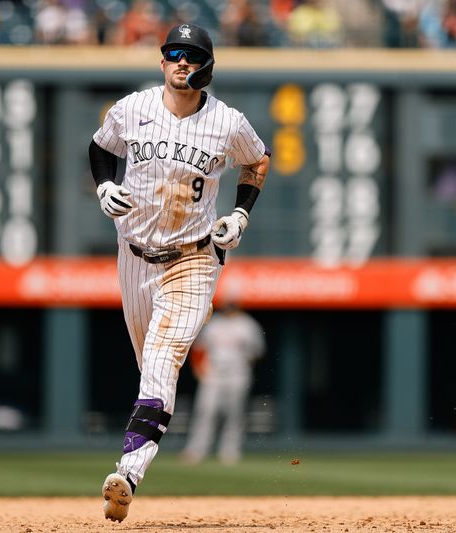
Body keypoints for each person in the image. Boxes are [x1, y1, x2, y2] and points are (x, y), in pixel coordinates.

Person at [88, 23, 270, 522]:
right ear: (161, 61)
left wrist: (240, 214)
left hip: (193, 257)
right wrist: (105, 185)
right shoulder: (132, 108)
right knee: (149, 366)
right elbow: (102, 147)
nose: (181, 61)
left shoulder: (227, 122)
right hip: (134, 256)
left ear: (207, 67)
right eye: (173, 52)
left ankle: (128, 472)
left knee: (163, 359)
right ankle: (141, 446)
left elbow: (257, 162)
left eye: (191, 54)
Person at [181, 301, 265, 465]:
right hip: (214, 372)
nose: (229, 309)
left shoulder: (248, 324)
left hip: (237, 373)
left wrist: (245, 364)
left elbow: (257, 352)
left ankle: (230, 451)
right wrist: (199, 368)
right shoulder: (214, 323)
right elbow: (198, 348)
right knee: (206, 411)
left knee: (235, 413)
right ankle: (196, 450)